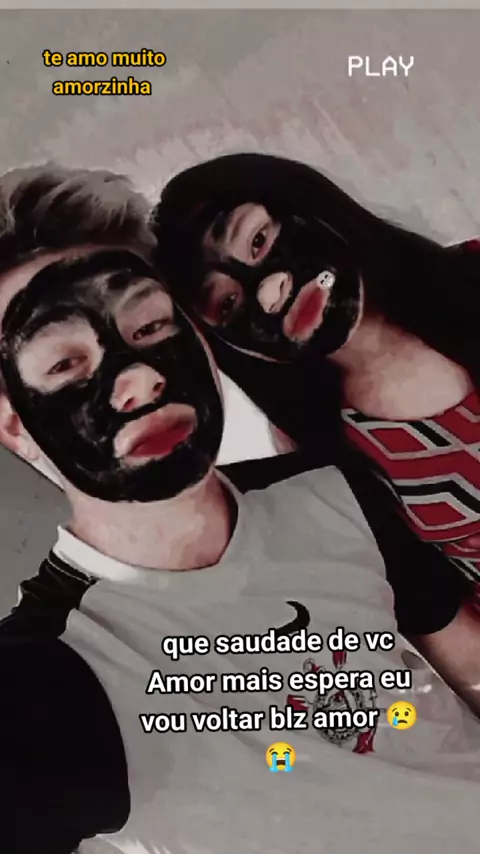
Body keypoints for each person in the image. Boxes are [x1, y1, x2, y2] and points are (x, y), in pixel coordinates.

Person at [1, 166, 480, 854]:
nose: (140, 378)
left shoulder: (330, 488)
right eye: (64, 365)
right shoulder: (54, 675)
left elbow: (466, 659)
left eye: (150, 325)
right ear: (13, 424)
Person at [151, 152, 480, 615]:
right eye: (226, 303)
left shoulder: (472, 272)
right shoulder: (325, 454)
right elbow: (435, 608)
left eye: (259, 240)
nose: (270, 293)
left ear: (309, 203)